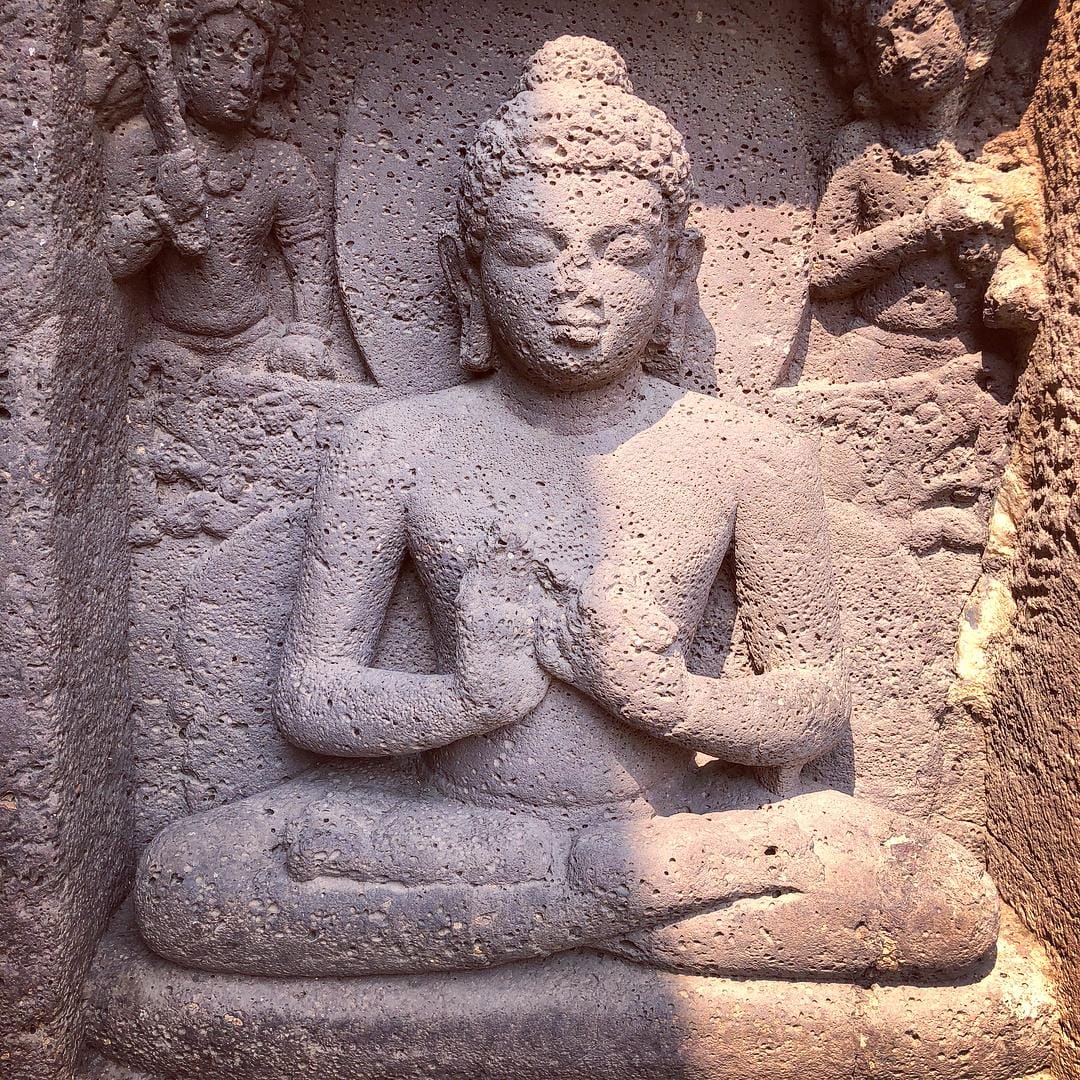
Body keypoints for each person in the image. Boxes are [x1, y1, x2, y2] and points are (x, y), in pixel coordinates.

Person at [135, 36, 998, 981]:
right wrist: (462, 700)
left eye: (620, 252)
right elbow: (312, 698)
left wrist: (665, 699)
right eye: (525, 251)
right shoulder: (392, 447)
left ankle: (523, 919)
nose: (572, 289)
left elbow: (810, 707)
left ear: (679, 270)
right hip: (454, 832)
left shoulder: (750, 453)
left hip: (667, 827)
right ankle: (607, 908)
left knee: (943, 901)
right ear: (465, 272)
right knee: (189, 883)